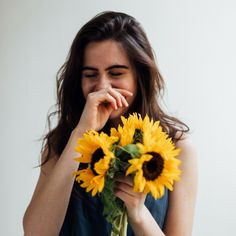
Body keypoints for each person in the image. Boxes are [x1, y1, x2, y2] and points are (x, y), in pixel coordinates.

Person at [23, 11, 198, 236]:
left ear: (140, 76)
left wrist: (138, 213)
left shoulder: (179, 148)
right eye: (90, 75)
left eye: (116, 73)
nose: (103, 86)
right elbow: (35, 233)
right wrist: (81, 135)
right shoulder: (61, 144)